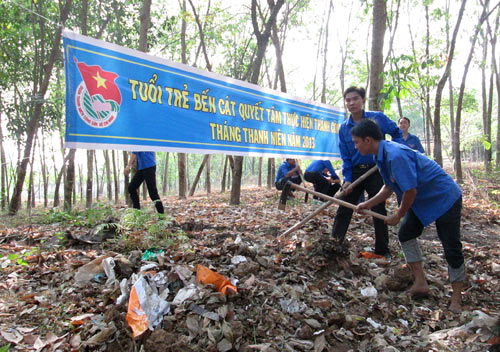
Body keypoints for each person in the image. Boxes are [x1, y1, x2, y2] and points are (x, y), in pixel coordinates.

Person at [352, 119, 464, 313]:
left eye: (356, 142)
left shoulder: (395, 155)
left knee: (451, 246)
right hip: (422, 199)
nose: (355, 146)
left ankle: (457, 298)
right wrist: (367, 204)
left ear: (368, 140)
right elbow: (388, 186)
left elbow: (409, 191)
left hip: (444, 197)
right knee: (406, 234)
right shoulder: (380, 155)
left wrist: (398, 214)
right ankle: (420, 283)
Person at [332, 86, 403, 258]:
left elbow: (397, 134)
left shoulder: (376, 118)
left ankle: (382, 250)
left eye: (355, 98)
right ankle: (334, 246)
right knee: (344, 207)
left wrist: (390, 156)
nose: (351, 103)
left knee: (378, 208)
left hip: (376, 169)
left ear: (363, 101)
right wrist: (347, 179)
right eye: (348, 100)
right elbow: (346, 157)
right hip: (355, 172)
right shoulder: (343, 128)